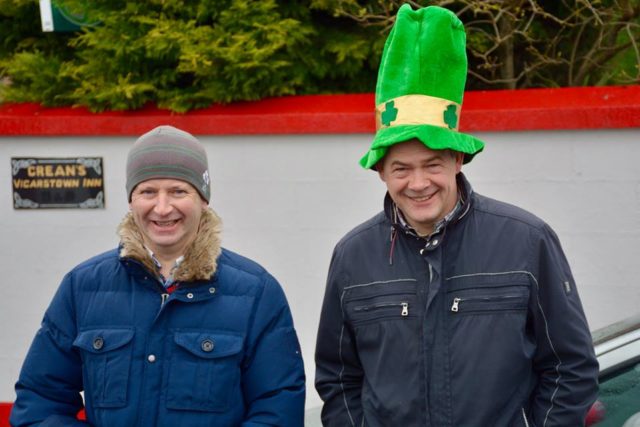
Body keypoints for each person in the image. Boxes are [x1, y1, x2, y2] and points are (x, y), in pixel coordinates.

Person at [314, 5, 598, 427]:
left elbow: (570, 367)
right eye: (401, 168)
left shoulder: (526, 240)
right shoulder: (353, 256)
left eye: (432, 164)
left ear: (458, 160)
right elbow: (338, 378)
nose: (418, 183)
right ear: (380, 172)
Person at [10, 125, 305, 426]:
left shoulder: (255, 292)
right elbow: (40, 403)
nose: (162, 208)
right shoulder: (82, 287)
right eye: (148, 191)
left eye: (178, 191)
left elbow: (278, 408)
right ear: (131, 200)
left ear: (203, 199)